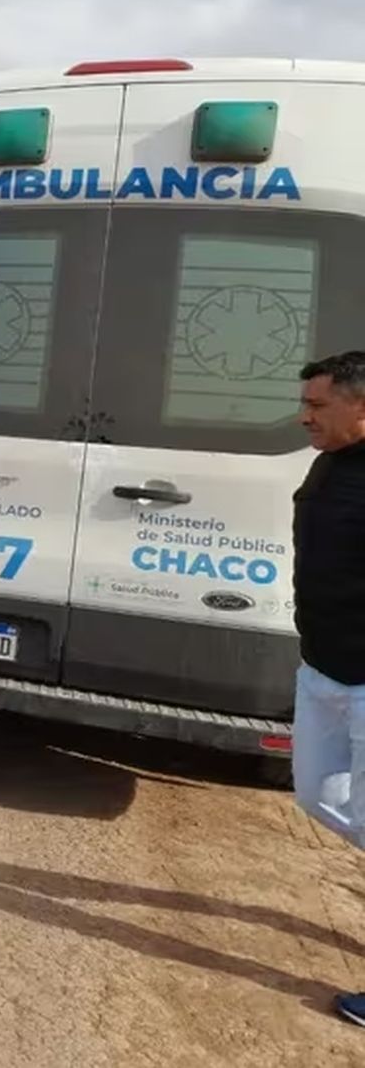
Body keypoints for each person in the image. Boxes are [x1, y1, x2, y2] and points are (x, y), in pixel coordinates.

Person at [291, 350, 365, 1028]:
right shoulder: (328, 463)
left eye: (318, 406)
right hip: (322, 669)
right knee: (314, 791)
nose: (304, 415)